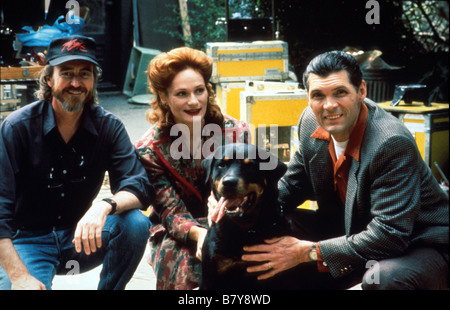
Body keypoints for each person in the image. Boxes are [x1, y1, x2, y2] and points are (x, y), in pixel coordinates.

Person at [224, 50, 448, 289]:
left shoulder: (390, 143)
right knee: (269, 223)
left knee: (383, 279)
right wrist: (239, 203)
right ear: (308, 98)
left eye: (340, 93)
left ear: (361, 90)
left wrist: (308, 252)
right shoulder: (310, 121)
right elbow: (291, 186)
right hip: (351, 227)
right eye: (318, 95)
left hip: (418, 242)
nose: (329, 106)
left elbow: (390, 235)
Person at [0, 35, 155, 290]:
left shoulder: (109, 126)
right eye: (66, 73)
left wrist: (103, 206)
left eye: (85, 74)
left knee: (135, 223)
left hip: (81, 237)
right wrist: (18, 276)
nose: (75, 82)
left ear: (94, 81)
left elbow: (139, 185)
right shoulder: (17, 128)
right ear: (49, 78)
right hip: (28, 241)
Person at [134, 46, 250, 290]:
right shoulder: (149, 149)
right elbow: (169, 211)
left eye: (199, 90)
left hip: (233, 220)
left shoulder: (236, 133)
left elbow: (251, 188)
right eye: (182, 94)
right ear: (164, 97)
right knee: (186, 266)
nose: (194, 101)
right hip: (178, 231)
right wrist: (201, 236)